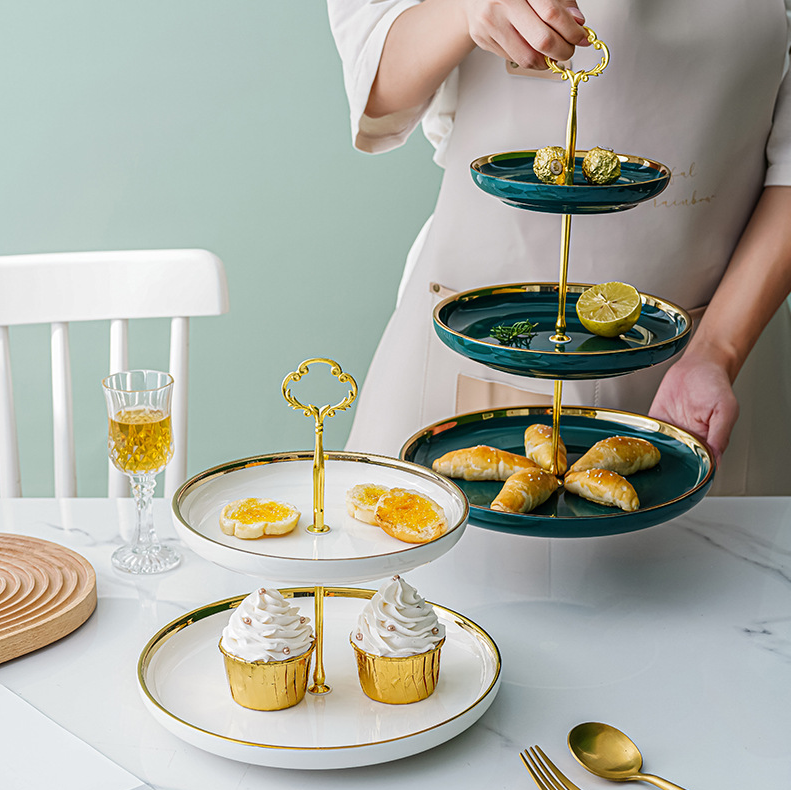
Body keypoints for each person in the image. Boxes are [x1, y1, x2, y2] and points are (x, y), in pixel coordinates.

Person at [328, 0, 791, 494]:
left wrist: (716, 351)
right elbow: (376, 84)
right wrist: (466, 9)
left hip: (708, 363)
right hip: (480, 337)